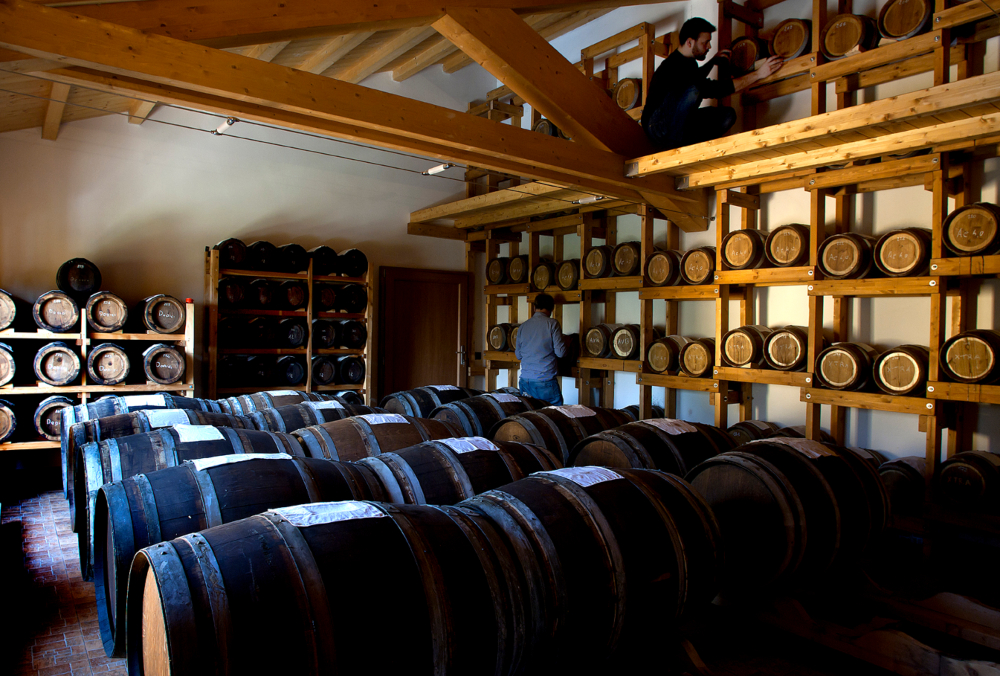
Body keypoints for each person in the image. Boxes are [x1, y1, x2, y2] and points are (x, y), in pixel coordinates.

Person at [641, 17, 784, 151]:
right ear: (690, 42)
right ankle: (675, 146)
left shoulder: (688, 62)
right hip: (657, 127)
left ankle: (688, 145)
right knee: (695, 89)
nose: (709, 46)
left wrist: (712, 62)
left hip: (678, 125)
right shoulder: (674, 66)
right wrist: (759, 74)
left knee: (727, 115)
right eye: (705, 42)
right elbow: (713, 89)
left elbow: (693, 79)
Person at [514, 293, 568, 405]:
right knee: (554, 416)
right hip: (544, 381)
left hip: (525, 381)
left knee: (530, 417)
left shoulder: (523, 326)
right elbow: (561, 353)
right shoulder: (552, 324)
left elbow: (518, 355)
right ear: (551, 308)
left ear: (534, 307)